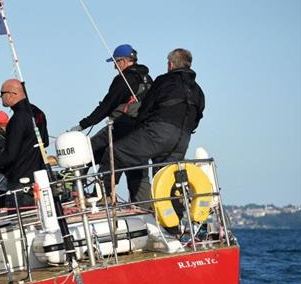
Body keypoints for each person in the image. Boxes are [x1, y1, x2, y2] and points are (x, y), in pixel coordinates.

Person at [99, 48, 205, 204]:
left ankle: (105, 197)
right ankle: (174, 223)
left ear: (170, 64)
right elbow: (198, 116)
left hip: (158, 133)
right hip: (183, 139)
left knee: (114, 152)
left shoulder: (164, 80)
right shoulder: (198, 90)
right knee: (166, 181)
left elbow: (147, 107)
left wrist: (140, 128)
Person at [71, 44, 153, 167]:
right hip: (141, 132)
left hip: (120, 127)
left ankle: (74, 182)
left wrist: (83, 125)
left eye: (115, 62)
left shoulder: (124, 79)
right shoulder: (148, 79)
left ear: (123, 60)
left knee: (86, 153)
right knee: (138, 173)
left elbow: (106, 106)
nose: (115, 67)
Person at [0, 79, 46, 207]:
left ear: (12, 94)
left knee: (22, 221)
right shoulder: (38, 113)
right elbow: (44, 141)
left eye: (2, 93)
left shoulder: (17, 119)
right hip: (41, 179)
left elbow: (10, 155)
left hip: (21, 184)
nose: (0, 96)